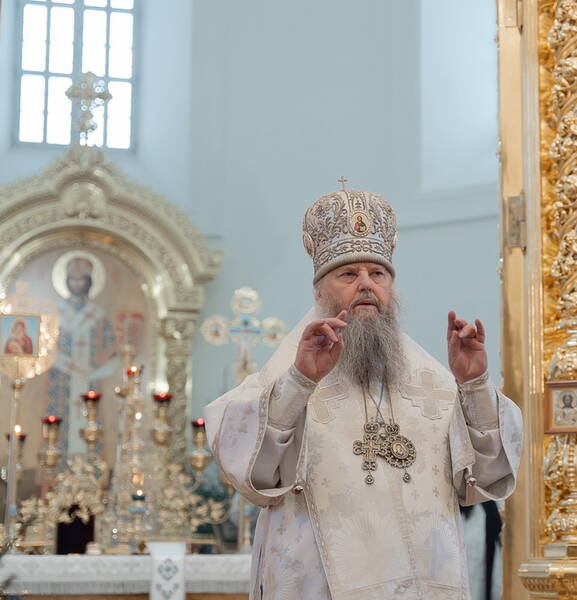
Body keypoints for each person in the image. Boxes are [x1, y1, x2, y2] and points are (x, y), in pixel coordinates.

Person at [204, 187, 523, 600]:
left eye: (378, 274)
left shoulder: (432, 380)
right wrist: (300, 382)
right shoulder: (287, 375)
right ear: (319, 292)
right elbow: (254, 475)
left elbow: (486, 479)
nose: (367, 285)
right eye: (349, 275)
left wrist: (473, 384)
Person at [48, 256, 118, 455]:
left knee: (91, 419)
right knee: (58, 420)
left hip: (91, 380)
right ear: (66, 281)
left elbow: (111, 348)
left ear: (89, 283)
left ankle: (92, 467)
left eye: (82, 279)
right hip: (61, 380)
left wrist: (96, 369)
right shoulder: (55, 311)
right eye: (73, 279)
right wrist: (66, 364)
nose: (77, 284)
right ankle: (57, 467)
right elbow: (47, 345)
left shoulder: (98, 314)